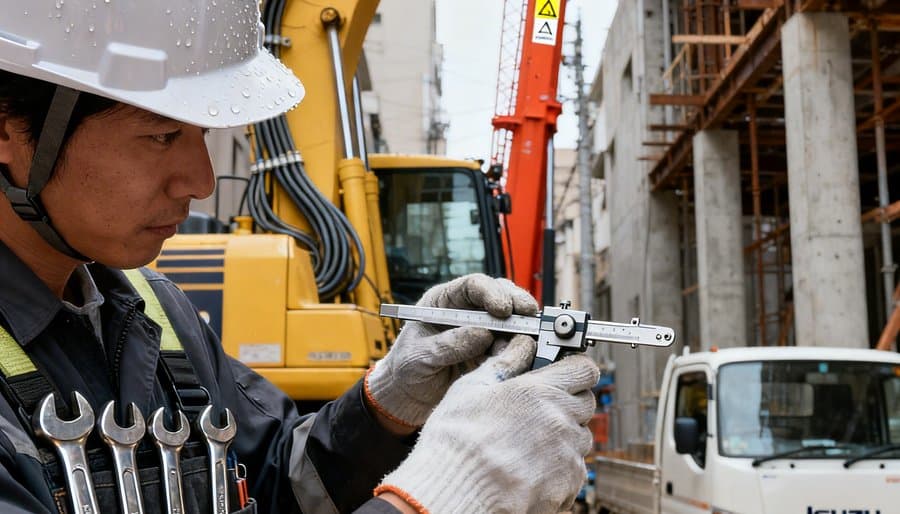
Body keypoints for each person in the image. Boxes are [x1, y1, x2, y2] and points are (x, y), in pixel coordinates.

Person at [0, 1, 599, 513]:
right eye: (160, 135)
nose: (201, 180)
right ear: (9, 131)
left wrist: (388, 403)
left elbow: (274, 483)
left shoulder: (156, 314)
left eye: (203, 134)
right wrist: (446, 490)